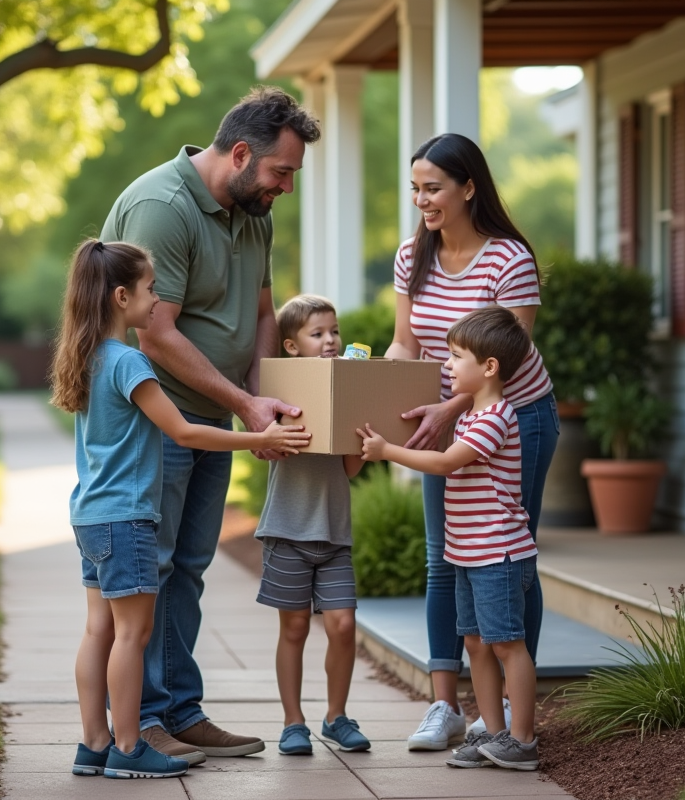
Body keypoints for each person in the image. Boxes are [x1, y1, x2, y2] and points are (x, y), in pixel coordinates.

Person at [99, 86, 322, 763]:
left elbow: (262, 314)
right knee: (153, 570)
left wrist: (262, 400)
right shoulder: (162, 209)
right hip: (157, 421)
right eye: (282, 173)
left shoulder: (254, 212)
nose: (286, 187)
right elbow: (156, 336)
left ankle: (180, 710)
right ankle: (143, 723)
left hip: (216, 418)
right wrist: (246, 405)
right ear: (243, 153)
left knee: (190, 568)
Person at [49, 240, 310, 779]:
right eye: (150, 289)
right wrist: (263, 437)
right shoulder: (129, 363)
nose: (158, 298)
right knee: (131, 635)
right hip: (128, 517)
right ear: (122, 297)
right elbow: (185, 430)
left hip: (92, 515)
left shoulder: (86, 356)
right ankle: (127, 746)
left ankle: (94, 743)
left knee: (99, 630)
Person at [385, 133, 559, 750]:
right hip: (446, 422)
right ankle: (447, 708)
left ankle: (513, 718)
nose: (422, 200)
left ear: (468, 188)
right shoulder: (413, 256)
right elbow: (406, 343)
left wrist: (445, 408)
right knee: (445, 558)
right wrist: (379, 391)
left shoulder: (508, 259)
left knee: (511, 564)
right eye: (416, 189)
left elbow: (505, 363)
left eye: (432, 188)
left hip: (517, 417)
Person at [359, 306, 541, 771]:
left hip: (497, 554)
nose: (447, 365)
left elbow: (444, 464)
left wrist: (387, 451)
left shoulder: (495, 417)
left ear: (489, 367)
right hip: (468, 554)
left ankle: (522, 740)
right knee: (477, 643)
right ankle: (493, 736)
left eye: (456, 357)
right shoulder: (470, 416)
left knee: (507, 644)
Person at [254, 294, 371, 756]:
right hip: (288, 530)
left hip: (333, 530)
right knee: (295, 628)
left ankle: (336, 716)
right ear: (290, 345)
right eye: (317, 333)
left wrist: (360, 437)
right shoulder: (279, 399)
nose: (330, 341)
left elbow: (349, 469)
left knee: (342, 626)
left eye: (334, 332)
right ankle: (293, 721)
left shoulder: (346, 389)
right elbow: (262, 446)